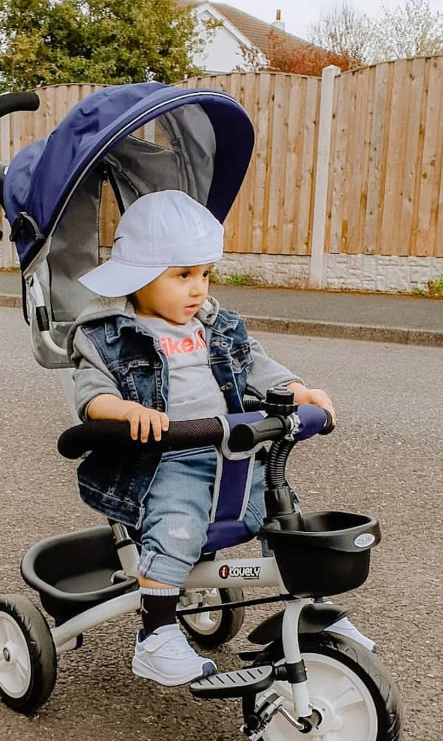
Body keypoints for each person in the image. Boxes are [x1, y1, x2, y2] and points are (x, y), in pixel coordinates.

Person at [68, 190, 371, 687]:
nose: (197, 289)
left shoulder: (215, 324)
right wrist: (125, 411)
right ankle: (157, 635)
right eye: (182, 275)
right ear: (139, 277)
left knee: (286, 514)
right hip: (166, 461)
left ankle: (312, 606)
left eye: (205, 274)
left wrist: (297, 392)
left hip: (234, 452)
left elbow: (256, 365)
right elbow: (92, 394)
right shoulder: (107, 334)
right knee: (176, 529)